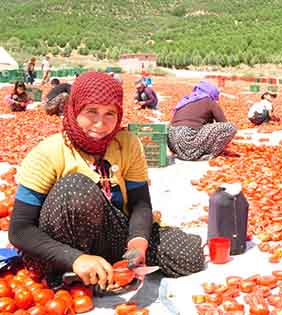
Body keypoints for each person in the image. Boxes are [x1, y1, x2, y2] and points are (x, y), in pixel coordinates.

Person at [9, 72, 204, 293]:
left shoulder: (127, 144)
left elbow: (140, 203)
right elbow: (20, 230)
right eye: (91, 111)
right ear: (74, 109)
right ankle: (73, 274)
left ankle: (108, 269)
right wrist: (75, 258)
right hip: (63, 246)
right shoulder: (49, 152)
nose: (101, 124)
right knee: (75, 187)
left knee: (189, 255)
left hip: (111, 234)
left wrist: (137, 243)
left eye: (110, 113)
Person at [168, 81, 237, 161]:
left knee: (200, 129)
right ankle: (211, 154)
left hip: (173, 142)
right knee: (230, 127)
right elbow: (223, 123)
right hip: (187, 139)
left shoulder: (187, 101)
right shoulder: (209, 101)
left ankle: (191, 152)